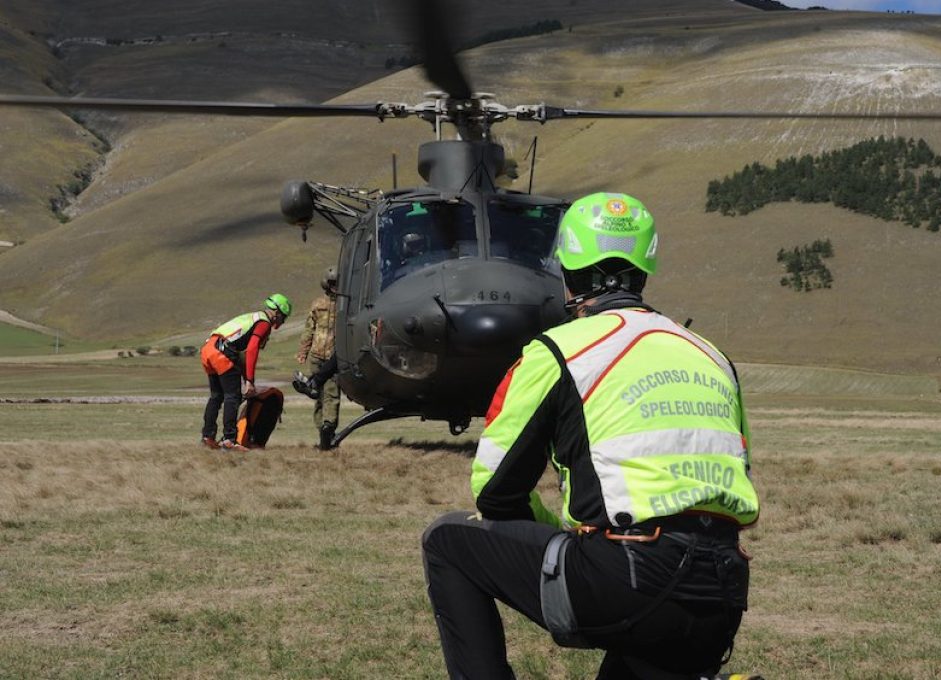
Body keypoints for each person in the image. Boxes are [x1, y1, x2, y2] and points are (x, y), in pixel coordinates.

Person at [421, 193, 760, 680]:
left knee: (447, 540)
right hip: (721, 593)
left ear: (566, 268)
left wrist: (560, 534)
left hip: (625, 577)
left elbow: (495, 491)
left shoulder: (557, 350)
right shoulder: (711, 356)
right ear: (646, 264)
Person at [200, 293, 291, 451]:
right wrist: (249, 380)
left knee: (216, 396)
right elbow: (252, 349)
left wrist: (247, 379)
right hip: (223, 353)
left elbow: (240, 356)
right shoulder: (264, 323)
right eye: (284, 317)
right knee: (232, 397)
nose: (283, 321)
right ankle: (229, 440)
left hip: (208, 349)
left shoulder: (252, 317)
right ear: (277, 312)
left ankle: (207, 436)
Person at [296, 267, 342, 450]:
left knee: (329, 394)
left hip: (331, 358)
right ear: (328, 285)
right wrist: (303, 352)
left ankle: (327, 429)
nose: (335, 286)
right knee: (322, 395)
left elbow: (309, 331)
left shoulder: (341, 305)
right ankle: (324, 431)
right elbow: (309, 330)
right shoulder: (321, 305)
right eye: (333, 283)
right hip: (320, 356)